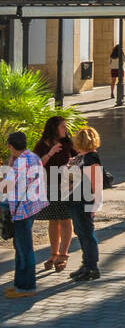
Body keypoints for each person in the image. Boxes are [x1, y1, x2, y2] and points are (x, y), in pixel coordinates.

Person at [5, 130, 47, 297]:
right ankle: (19, 284)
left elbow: (8, 186)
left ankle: (27, 287)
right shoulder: (32, 156)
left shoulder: (19, 163)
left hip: (21, 210)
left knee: (24, 249)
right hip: (32, 207)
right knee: (20, 246)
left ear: (10, 146)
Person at [33, 117, 77, 273]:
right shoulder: (42, 144)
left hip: (66, 187)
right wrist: (50, 153)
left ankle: (63, 254)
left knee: (65, 219)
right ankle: (53, 253)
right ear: (54, 128)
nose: (65, 129)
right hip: (48, 187)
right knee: (52, 220)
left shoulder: (67, 143)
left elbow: (79, 157)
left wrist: (72, 162)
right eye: (62, 127)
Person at [67, 126, 103, 282]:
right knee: (81, 232)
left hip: (83, 201)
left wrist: (93, 205)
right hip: (76, 200)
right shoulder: (82, 157)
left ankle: (92, 267)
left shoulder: (91, 159)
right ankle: (86, 264)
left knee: (87, 233)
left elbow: (95, 184)